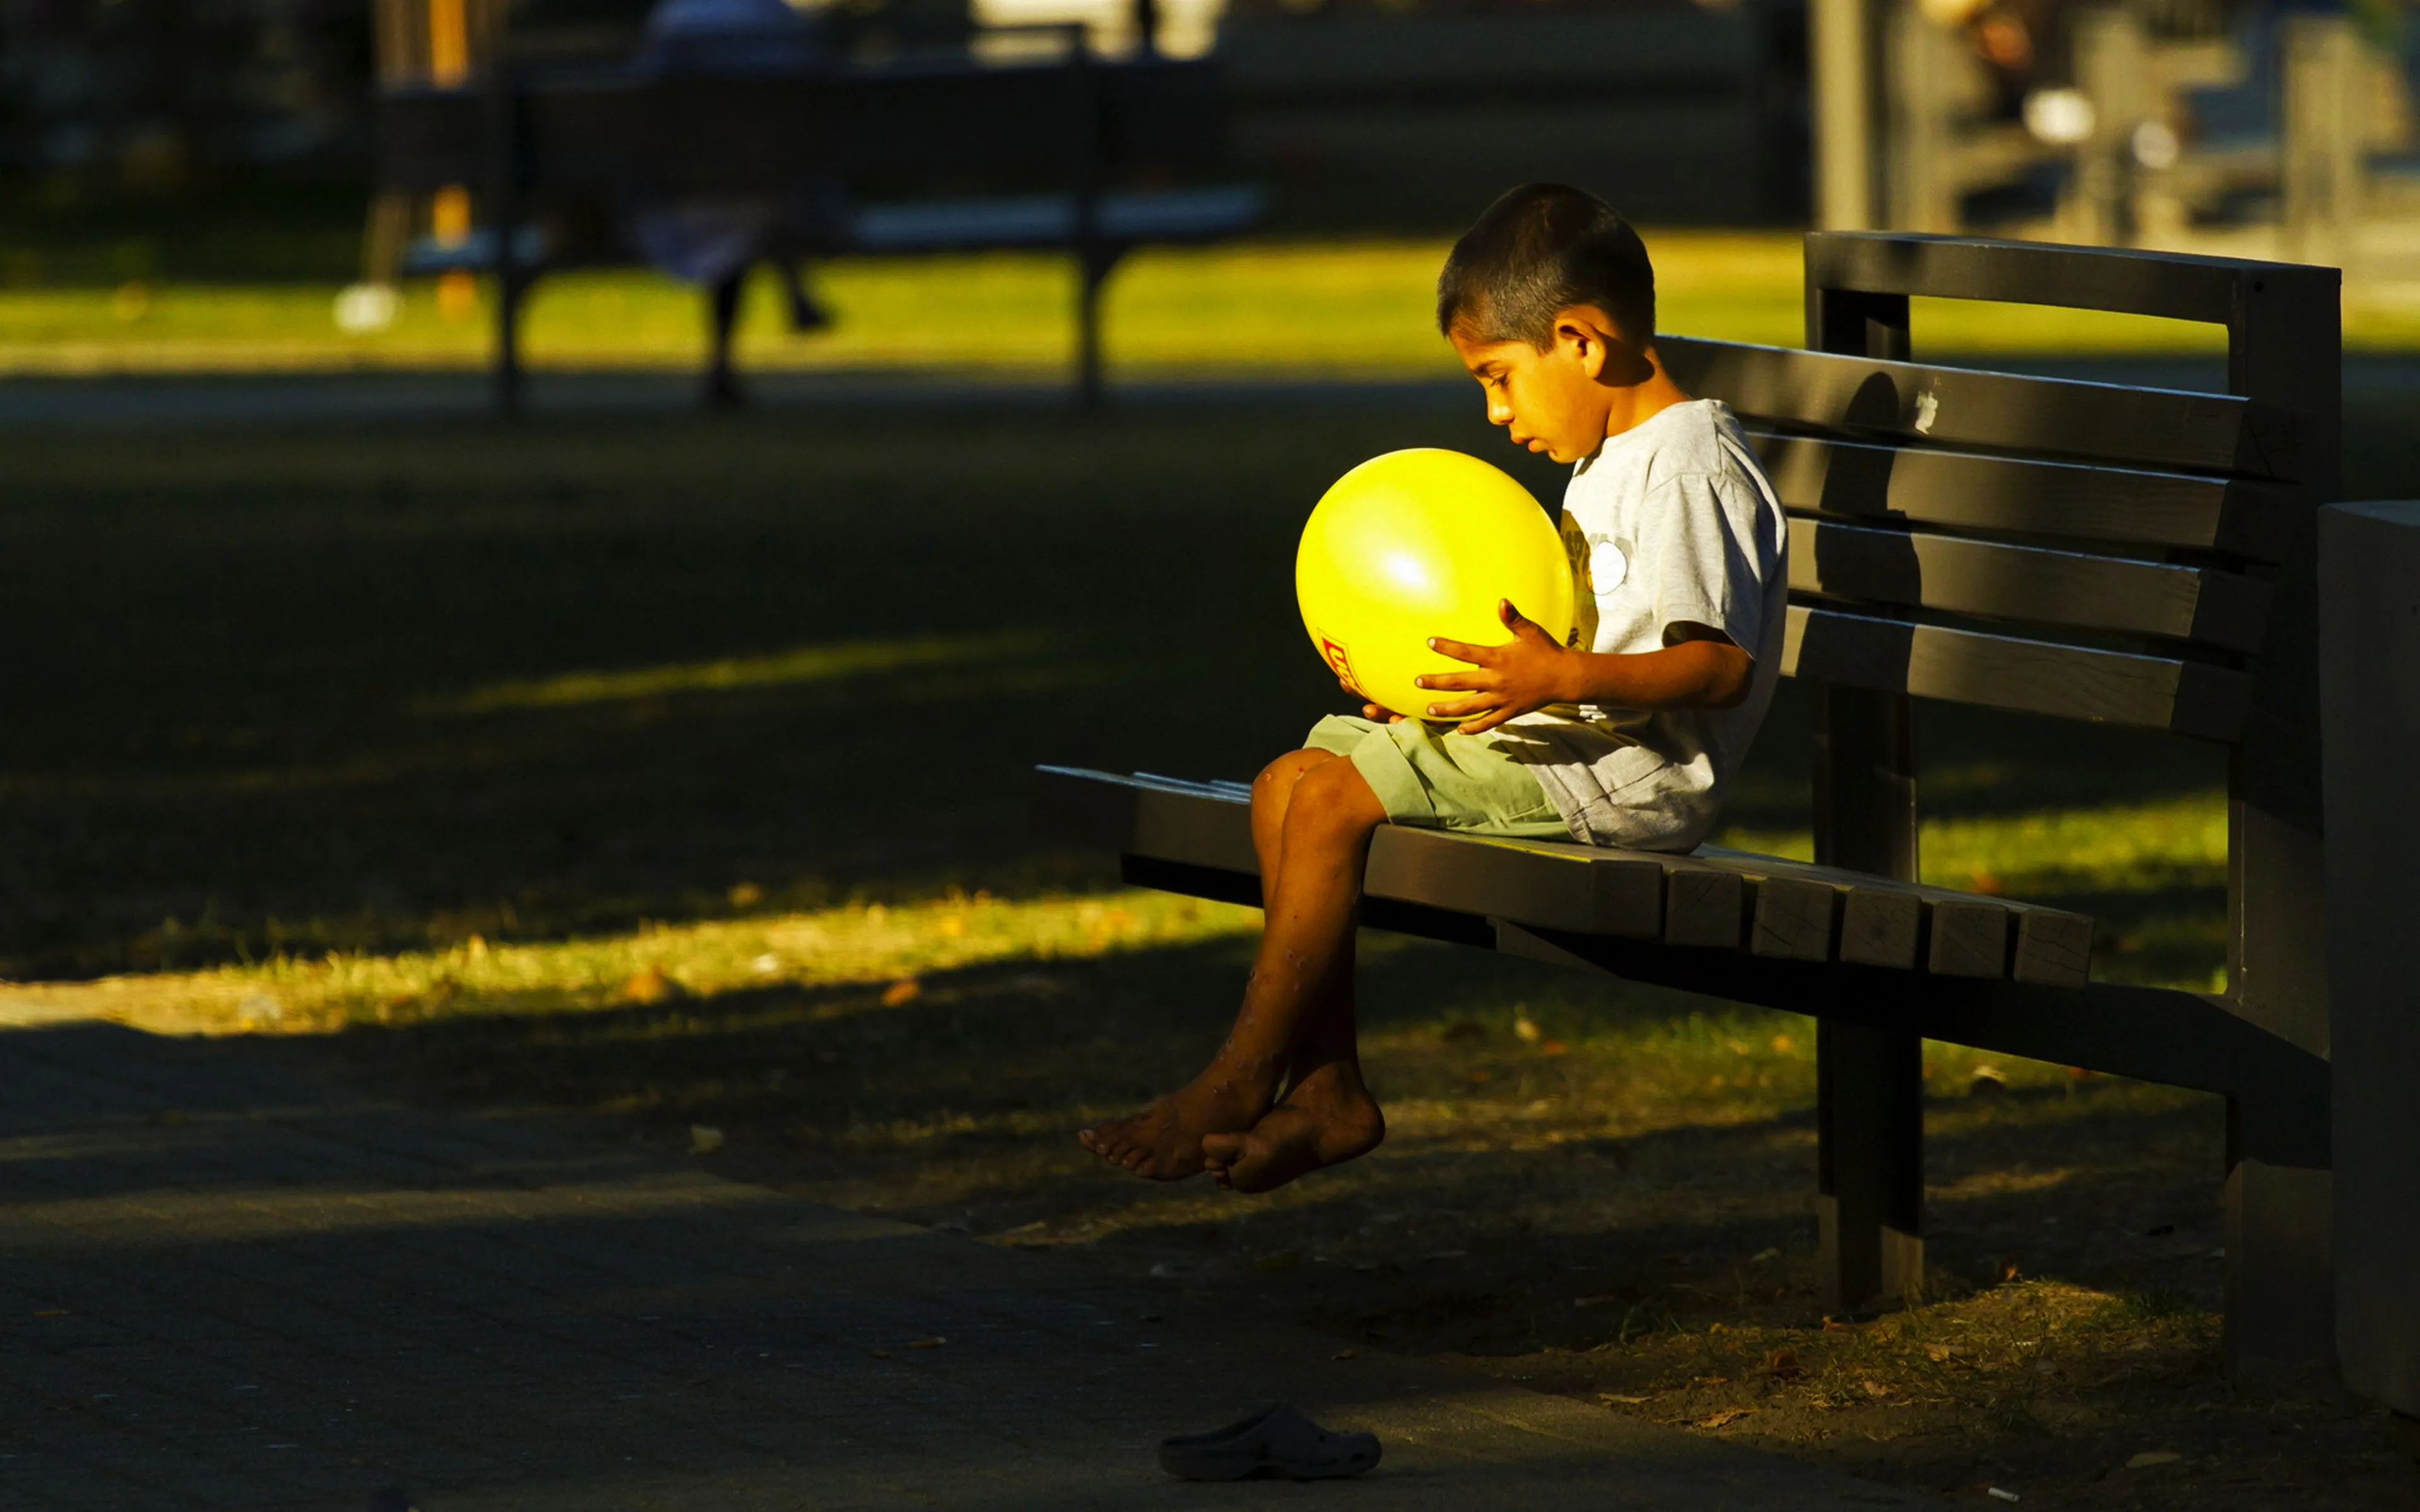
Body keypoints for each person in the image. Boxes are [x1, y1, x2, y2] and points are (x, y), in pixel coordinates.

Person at [1077, 183, 1790, 1193]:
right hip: (1570, 752)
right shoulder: (1616, 457)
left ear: (1581, 341)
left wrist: (1559, 675)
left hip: (1625, 785)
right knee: (1298, 776)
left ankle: (1238, 1079)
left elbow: (1718, 667)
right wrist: (1428, 692)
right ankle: (1329, 1089)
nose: (1496, 415)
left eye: (1500, 379)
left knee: (1327, 795)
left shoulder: (1685, 470)